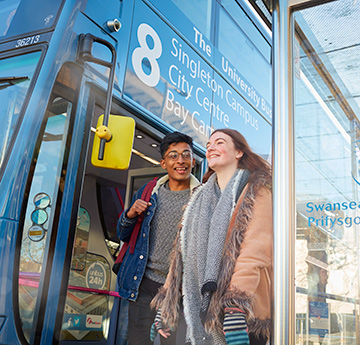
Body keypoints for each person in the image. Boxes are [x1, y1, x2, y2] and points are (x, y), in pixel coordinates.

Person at [151, 128, 273, 345]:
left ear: (239, 152)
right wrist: (165, 307)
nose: (210, 148)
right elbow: (181, 257)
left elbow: (255, 252)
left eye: (219, 142)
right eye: (208, 145)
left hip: (241, 317)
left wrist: (235, 307)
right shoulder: (198, 199)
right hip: (199, 318)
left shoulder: (256, 190)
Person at [116, 131, 200, 345]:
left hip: (178, 291)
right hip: (145, 285)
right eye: (173, 156)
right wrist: (129, 215)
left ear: (192, 160)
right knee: (137, 341)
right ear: (163, 163)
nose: (180, 161)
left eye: (186, 155)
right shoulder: (148, 191)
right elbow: (122, 235)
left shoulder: (201, 198)